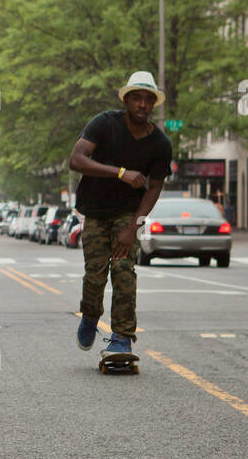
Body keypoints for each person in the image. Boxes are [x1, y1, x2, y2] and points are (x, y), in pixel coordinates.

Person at [67, 70, 173, 360]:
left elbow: (154, 188)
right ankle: (90, 316)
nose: (142, 105)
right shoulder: (104, 124)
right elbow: (76, 160)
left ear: (153, 105)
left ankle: (122, 336)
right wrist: (122, 173)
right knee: (95, 274)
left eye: (148, 100)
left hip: (129, 212)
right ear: (126, 101)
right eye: (137, 98)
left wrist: (135, 227)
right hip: (95, 210)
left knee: (124, 270)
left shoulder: (160, 144)